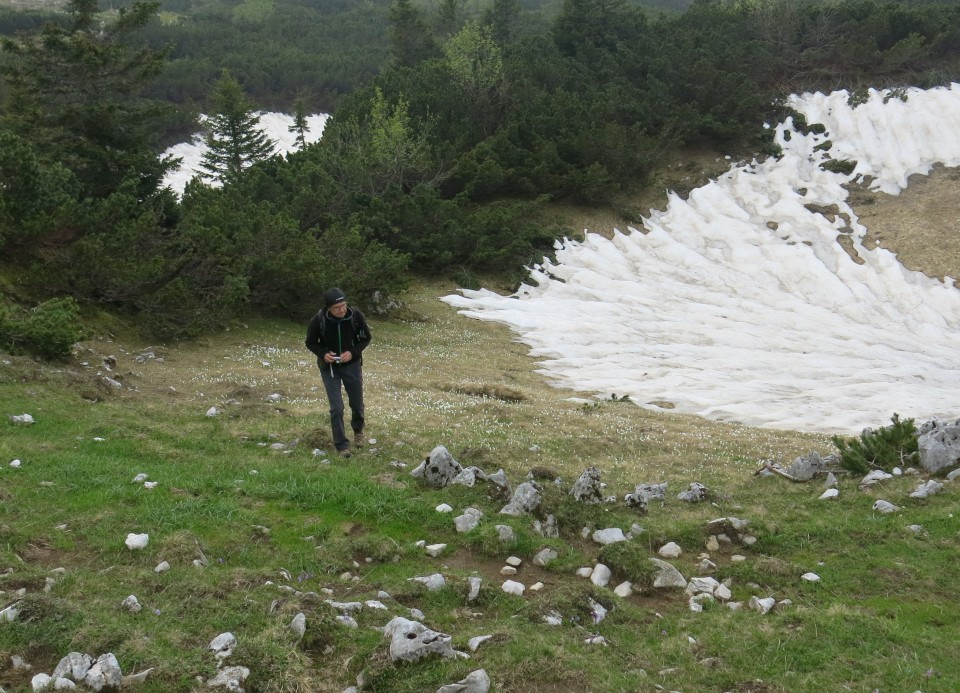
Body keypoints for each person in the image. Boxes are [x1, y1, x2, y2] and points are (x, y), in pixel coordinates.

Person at [305, 288, 372, 458]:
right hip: (330, 368)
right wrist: (323, 354)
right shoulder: (319, 320)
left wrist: (352, 352)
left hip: (352, 365)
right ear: (329, 308)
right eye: (337, 308)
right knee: (336, 408)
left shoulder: (356, 316)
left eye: (343, 305)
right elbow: (310, 342)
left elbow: (365, 338)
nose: (342, 310)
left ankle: (358, 430)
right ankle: (342, 446)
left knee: (357, 404)